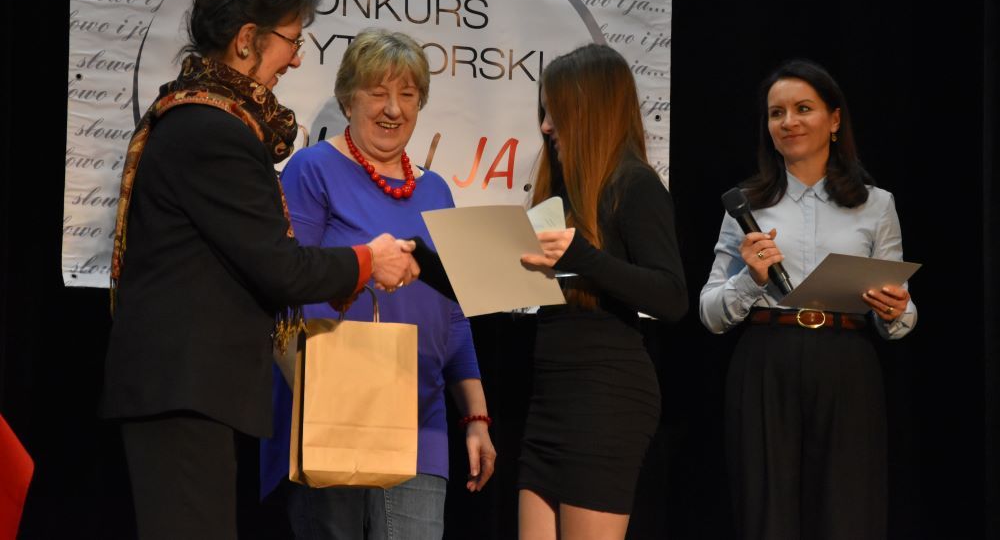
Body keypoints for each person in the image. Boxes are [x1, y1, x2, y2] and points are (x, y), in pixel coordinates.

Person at [101, 0, 419, 540]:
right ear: (247, 39)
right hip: (183, 389)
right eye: (291, 41)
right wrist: (366, 261)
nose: (296, 59)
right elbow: (278, 266)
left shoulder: (205, 116)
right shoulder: (212, 129)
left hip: (189, 390)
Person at [260, 28, 496, 540]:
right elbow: (285, 287)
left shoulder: (436, 191)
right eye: (378, 92)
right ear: (349, 99)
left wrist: (475, 417)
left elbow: (454, 314)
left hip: (421, 422)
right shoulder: (312, 170)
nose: (393, 109)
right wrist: (319, 399)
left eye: (407, 95)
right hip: (333, 413)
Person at [699, 59, 917, 540]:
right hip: (766, 361)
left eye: (803, 109)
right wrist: (751, 279)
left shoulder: (876, 204)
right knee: (767, 513)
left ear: (834, 120)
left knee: (847, 512)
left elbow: (901, 308)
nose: (788, 122)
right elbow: (710, 313)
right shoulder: (746, 205)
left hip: (846, 362)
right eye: (776, 113)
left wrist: (898, 310)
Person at [517, 43, 688, 540]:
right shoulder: (562, 191)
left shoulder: (635, 186)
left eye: (555, 112)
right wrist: (423, 261)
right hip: (551, 399)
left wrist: (584, 257)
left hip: (605, 400)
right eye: (544, 112)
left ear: (589, 112)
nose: (545, 126)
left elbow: (671, 296)